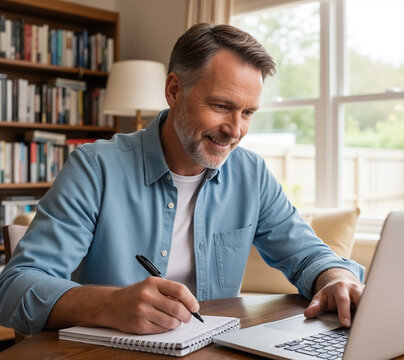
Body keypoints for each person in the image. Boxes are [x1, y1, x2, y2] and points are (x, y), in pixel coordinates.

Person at [0, 23, 364, 336]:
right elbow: (15, 287)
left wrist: (334, 278)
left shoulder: (251, 175)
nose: (235, 130)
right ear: (174, 91)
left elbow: (308, 255)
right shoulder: (96, 169)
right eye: (221, 106)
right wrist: (110, 304)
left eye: (248, 112)